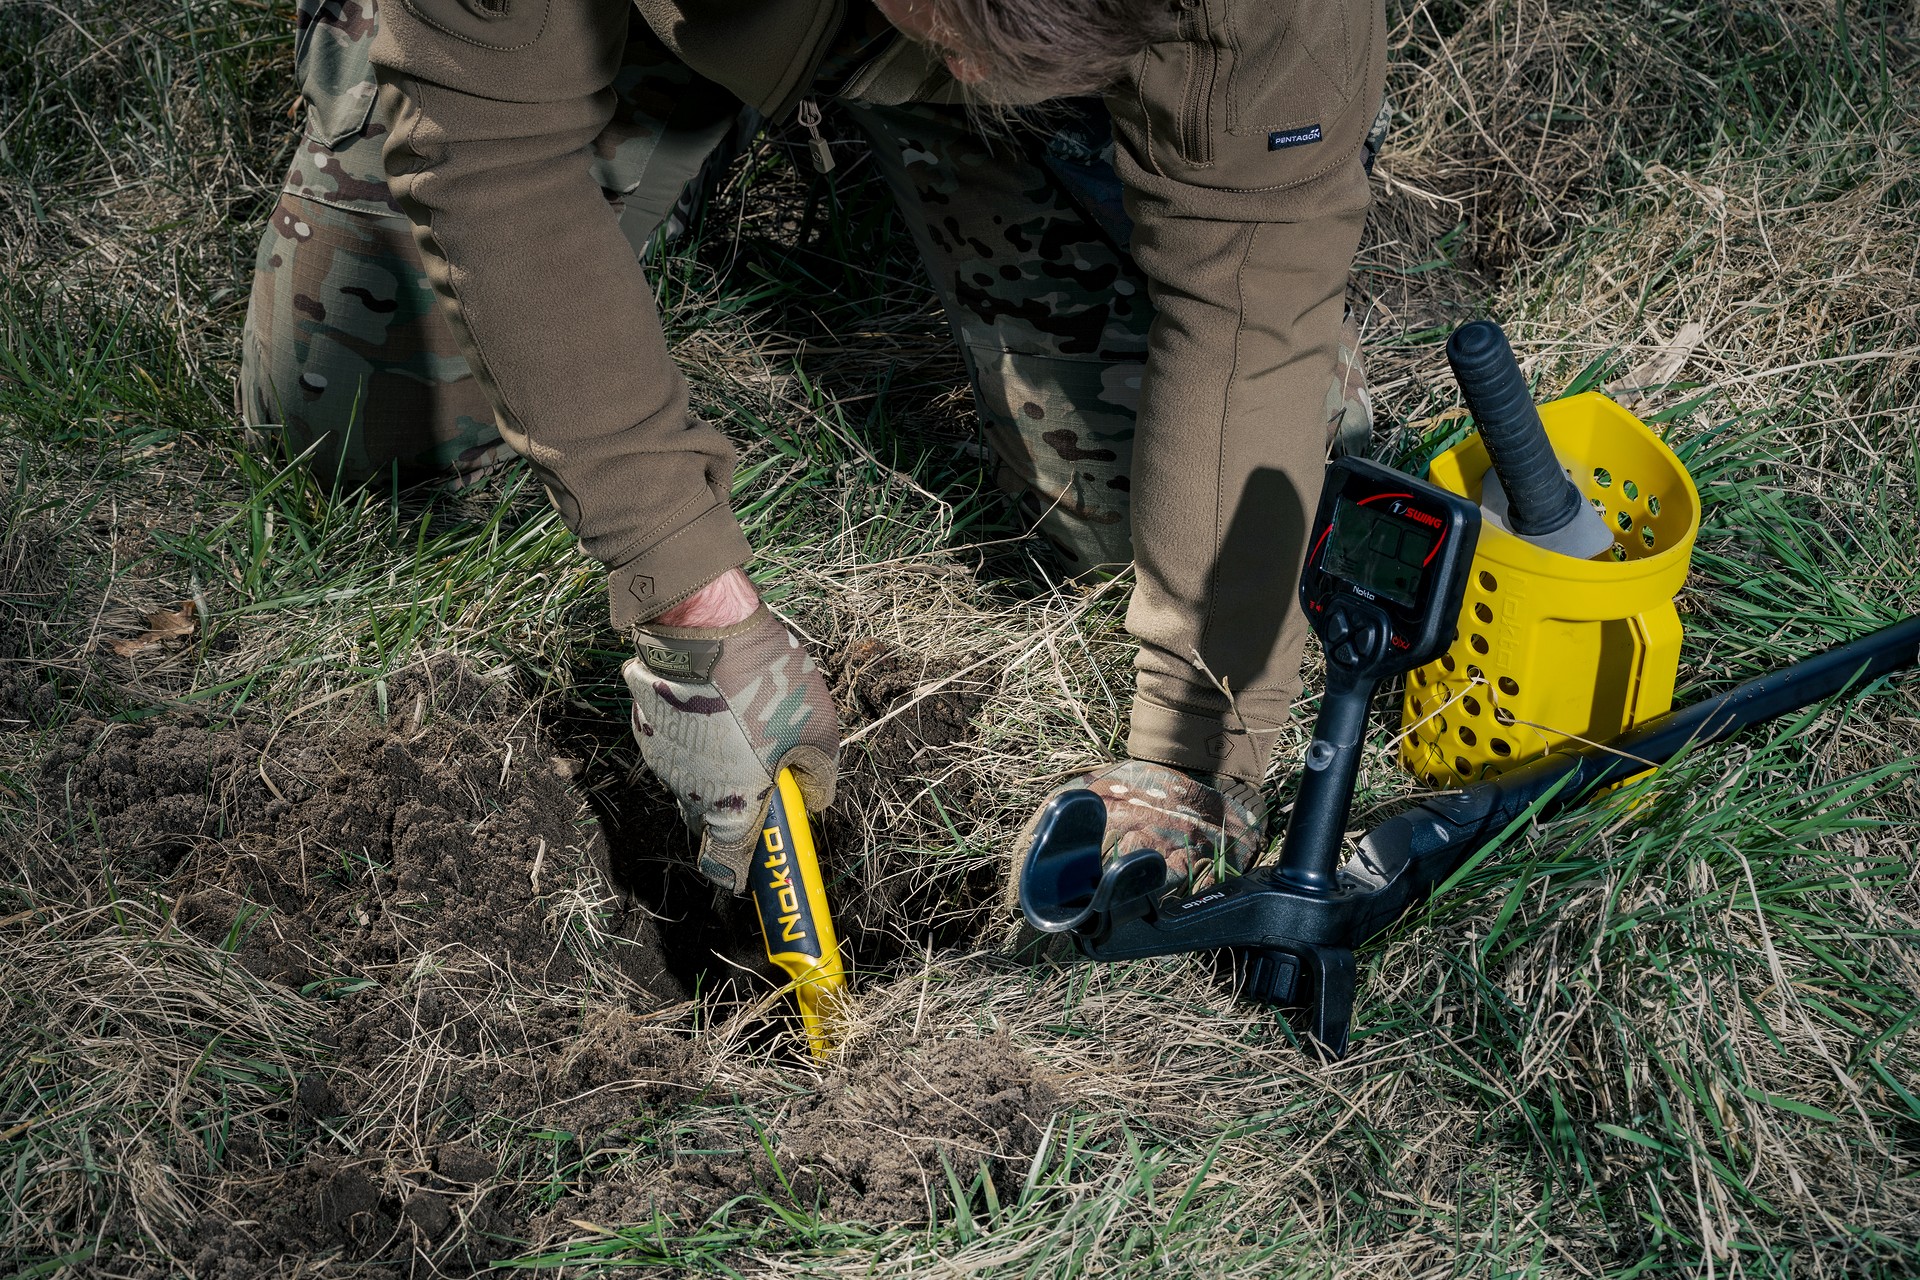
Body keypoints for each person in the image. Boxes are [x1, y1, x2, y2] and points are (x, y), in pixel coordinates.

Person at [239, 0, 1386, 899]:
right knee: (361, 426)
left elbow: (1252, 283)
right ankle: (654, 112)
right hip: (629, 18)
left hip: (1025, 66)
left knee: (1165, 507)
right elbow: (482, 143)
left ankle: (960, 105)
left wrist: (1193, 749)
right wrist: (688, 593)